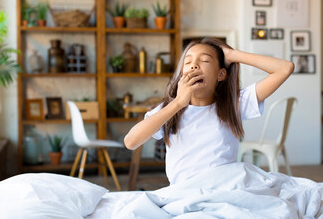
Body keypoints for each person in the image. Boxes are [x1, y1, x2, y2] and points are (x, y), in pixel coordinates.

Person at [124, 37, 294, 185]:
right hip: (185, 191)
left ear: (221, 74)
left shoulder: (234, 104)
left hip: (227, 187)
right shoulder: (170, 109)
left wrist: (233, 56)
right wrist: (178, 103)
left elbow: (285, 68)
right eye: (188, 62)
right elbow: (131, 142)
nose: (194, 66)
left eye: (204, 61)